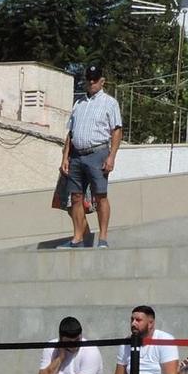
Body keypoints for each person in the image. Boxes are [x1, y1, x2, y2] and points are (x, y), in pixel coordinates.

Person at [63, 66, 123, 247]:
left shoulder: (110, 103)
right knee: (75, 197)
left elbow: (117, 130)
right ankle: (78, 237)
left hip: (98, 152)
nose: (91, 82)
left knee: (100, 195)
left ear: (102, 81)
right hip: (76, 155)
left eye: (95, 79)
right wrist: (65, 157)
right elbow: (70, 132)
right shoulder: (78, 103)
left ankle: (103, 237)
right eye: (89, 78)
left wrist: (111, 156)